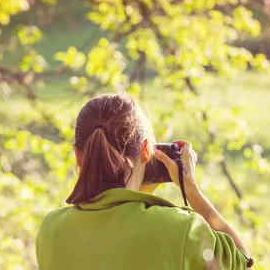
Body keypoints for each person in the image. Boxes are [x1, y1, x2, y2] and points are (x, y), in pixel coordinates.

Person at [36, 93, 252, 269]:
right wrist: (191, 189)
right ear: (147, 151)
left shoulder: (51, 230)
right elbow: (243, 263)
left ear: (78, 155)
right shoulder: (179, 229)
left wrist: (140, 195)